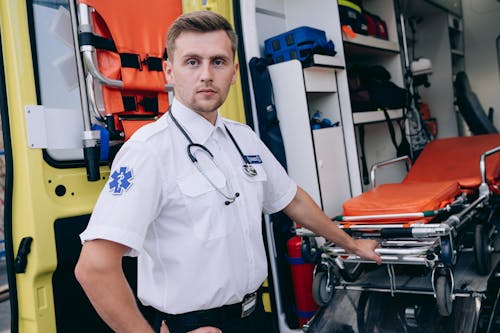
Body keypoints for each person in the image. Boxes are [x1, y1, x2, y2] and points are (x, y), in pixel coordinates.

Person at [75, 10, 381, 333]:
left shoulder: (243, 137)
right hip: (194, 325)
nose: (206, 74)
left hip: (254, 317)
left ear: (234, 72)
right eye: (192, 62)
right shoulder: (148, 151)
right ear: (169, 70)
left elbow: (292, 200)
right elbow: (94, 267)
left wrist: (352, 245)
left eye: (218, 62)